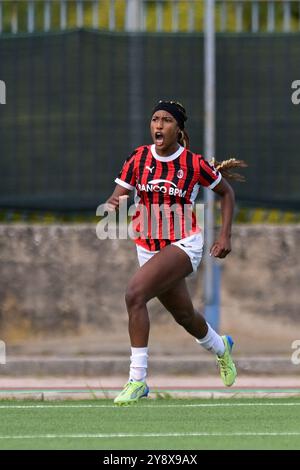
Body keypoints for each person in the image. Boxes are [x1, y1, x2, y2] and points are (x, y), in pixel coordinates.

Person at [106, 100, 246, 406]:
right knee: (184, 315)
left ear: (178, 129)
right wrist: (114, 202)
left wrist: (225, 235)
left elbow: (226, 193)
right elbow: (120, 192)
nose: (158, 125)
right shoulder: (139, 157)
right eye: (155, 119)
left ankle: (137, 380)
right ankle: (221, 347)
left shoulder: (194, 164)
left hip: (183, 243)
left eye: (166, 120)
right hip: (147, 246)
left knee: (134, 294)